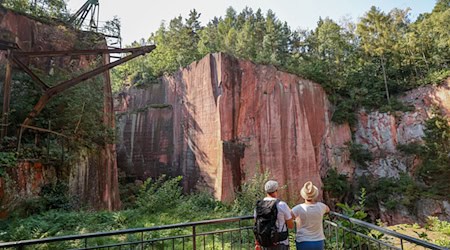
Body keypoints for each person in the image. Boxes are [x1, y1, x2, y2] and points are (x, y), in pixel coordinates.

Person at [255, 180, 294, 250]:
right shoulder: (282, 205)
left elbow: (256, 223)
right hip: (280, 242)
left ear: (266, 191)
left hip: (264, 242)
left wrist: (257, 242)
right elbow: (291, 226)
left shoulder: (259, 205)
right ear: (276, 190)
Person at [291, 181, 330, 250]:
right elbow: (328, 210)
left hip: (303, 241)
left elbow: (290, 217)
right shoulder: (321, 207)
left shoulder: (298, 208)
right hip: (318, 241)